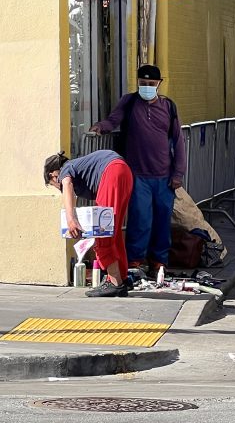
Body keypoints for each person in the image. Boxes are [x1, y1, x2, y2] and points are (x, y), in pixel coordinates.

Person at [89, 64, 186, 276]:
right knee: (140, 220)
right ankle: (134, 261)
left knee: (162, 220)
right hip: (137, 174)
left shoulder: (169, 107)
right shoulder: (129, 102)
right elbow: (113, 120)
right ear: (138, 82)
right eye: (143, 83)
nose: (147, 87)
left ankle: (158, 262)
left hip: (164, 176)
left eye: (151, 84)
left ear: (159, 84)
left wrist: (178, 173)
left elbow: (178, 141)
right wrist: (101, 127)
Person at [44, 150, 133, 297]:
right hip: (124, 171)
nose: (58, 188)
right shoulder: (79, 167)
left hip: (111, 172)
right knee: (113, 232)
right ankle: (122, 278)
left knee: (102, 233)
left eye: (54, 184)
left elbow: (67, 185)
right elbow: (72, 195)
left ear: (53, 175)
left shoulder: (66, 169)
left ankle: (115, 283)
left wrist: (70, 220)